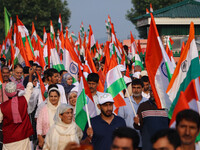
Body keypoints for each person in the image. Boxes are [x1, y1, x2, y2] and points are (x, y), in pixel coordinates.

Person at [0, 67, 35, 150]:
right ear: (16, 91)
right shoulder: (24, 100)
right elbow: (29, 88)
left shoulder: (2, 107)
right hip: (23, 138)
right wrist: (30, 75)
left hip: (9, 140)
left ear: (6, 93)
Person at [134, 86, 168, 150]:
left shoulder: (167, 106)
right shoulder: (143, 106)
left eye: (155, 91)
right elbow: (138, 126)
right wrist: (136, 123)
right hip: (148, 145)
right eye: (151, 91)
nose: (153, 93)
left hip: (164, 145)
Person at [118, 79, 148, 148]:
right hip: (128, 141)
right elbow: (120, 121)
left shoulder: (147, 103)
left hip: (143, 141)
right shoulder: (124, 102)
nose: (136, 90)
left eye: (138, 88)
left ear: (142, 88)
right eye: (134, 88)